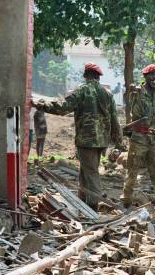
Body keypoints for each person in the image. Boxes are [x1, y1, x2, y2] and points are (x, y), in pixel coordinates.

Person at [35, 62, 122, 211]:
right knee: (87, 169)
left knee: (91, 171)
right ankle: (82, 200)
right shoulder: (107, 93)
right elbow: (115, 119)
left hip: (86, 140)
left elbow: (63, 108)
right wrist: (118, 141)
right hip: (101, 141)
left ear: (85, 76)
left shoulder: (82, 91)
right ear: (98, 77)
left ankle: (93, 206)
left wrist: (40, 105)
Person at [122, 64, 155, 214]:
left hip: (154, 139)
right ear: (145, 77)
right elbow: (137, 113)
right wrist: (136, 92)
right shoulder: (137, 92)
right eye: (152, 75)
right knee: (133, 171)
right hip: (139, 138)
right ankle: (126, 202)